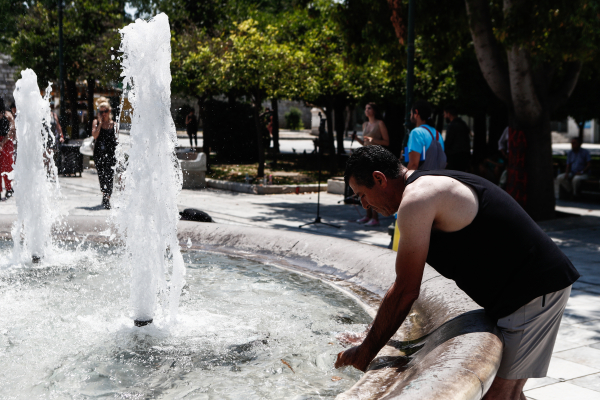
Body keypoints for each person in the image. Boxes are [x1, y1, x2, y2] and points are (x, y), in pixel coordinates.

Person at [336, 146, 579, 400]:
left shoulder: (418, 199)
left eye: (362, 195)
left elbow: (406, 290)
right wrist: (371, 335)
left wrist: (364, 353)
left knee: (498, 396)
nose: (363, 204)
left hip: (533, 290)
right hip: (522, 291)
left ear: (379, 178)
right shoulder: (426, 185)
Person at [352, 103, 389, 227]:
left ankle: (375, 217)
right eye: (365, 108)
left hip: (376, 158)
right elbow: (365, 143)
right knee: (364, 187)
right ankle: (367, 215)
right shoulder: (365, 124)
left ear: (374, 110)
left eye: (369, 108)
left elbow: (386, 142)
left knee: (373, 187)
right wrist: (357, 139)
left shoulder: (380, 123)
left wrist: (374, 141)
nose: (366, 110)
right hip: (365, 157)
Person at [91, 99, 118, 209]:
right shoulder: (96, 123)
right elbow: (95, 136)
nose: (103, 114)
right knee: (102, 176)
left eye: (105, 111)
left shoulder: (114, 124)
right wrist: (100, 123)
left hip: (111, 154)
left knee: (110, 176)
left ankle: (107, 197)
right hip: (99, 154)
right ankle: (105, 195)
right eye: (101, 112)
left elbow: (117, 140)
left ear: (109, 111)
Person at [405, 100, 446, 171]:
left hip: (422, 179)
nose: (410, 115)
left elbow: (413, 165)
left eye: (411, 112)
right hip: (438, 178)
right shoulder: (437, 134)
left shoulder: (416, 132)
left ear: (416, 113)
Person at [443, 104, 471, 171]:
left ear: (448, 114)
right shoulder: (463, 124)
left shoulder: (452, 126)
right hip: (464, 158)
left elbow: (448, 143)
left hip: (454, 159)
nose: (444, 116)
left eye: (445, 114)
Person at [0, 97, 15, 200]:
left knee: (7, 166)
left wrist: (2, 142)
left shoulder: (8, 115)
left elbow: (12, 130)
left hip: (7, 142)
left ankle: (9, 189)